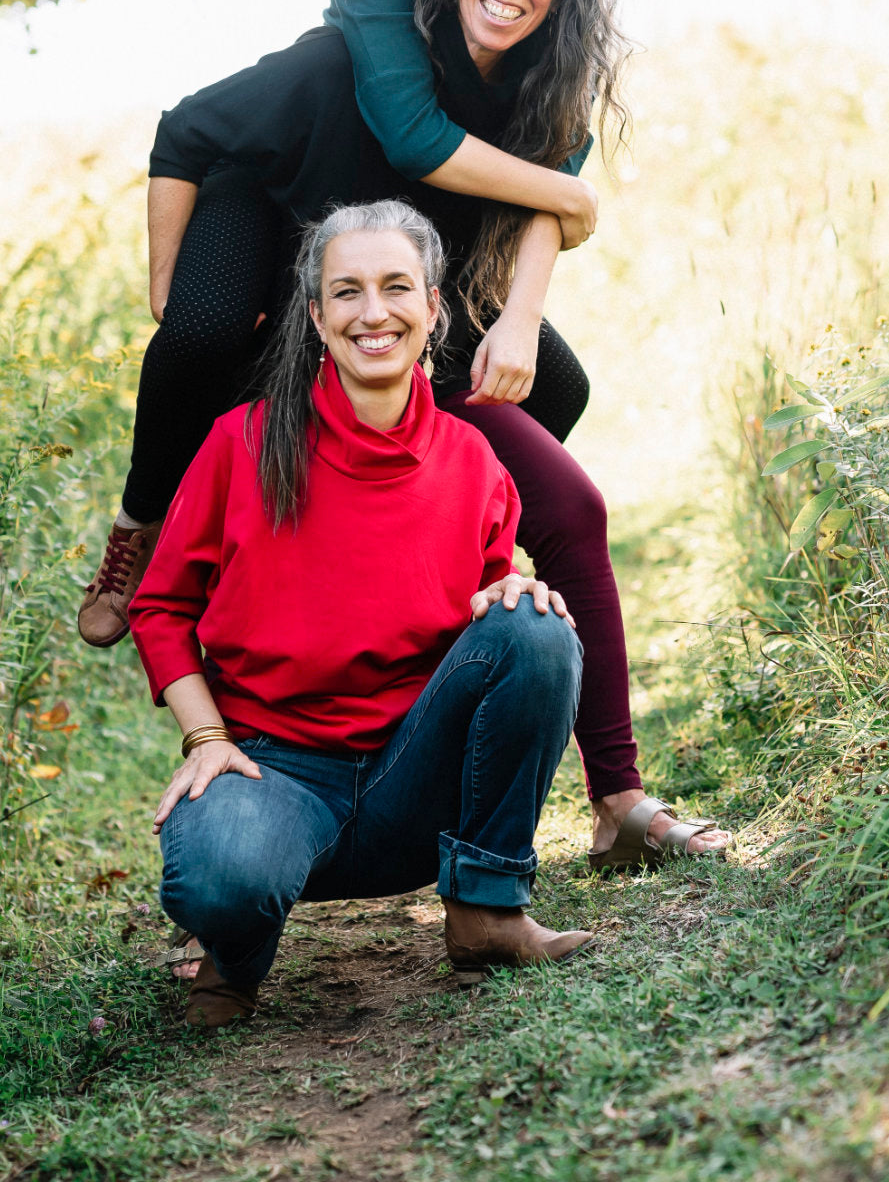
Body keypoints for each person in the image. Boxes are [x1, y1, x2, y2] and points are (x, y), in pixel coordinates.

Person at [83, 0, 729, 869]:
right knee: (199, 332)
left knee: (559, 417)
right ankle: (137, 533)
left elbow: (543, 197)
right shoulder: (370, 22)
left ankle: (612, 790)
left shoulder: (546, 36)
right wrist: (168, 281)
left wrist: (523, 304)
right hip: (272, 209)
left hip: (397, 275)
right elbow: (225, 132)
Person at [129, 201, 592, 1029]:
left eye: (395, 287)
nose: (373, 312)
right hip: (270, 771)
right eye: (346, 292)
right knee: (218, 879)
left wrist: (515, 591)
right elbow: (160, 607)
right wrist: (206, 738)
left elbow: (489, 612)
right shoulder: (240, 442)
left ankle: (486, 910)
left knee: (538, 628)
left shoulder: (473, 458)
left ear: (433, 307)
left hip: (415, 773)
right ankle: (235, 947)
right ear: (316, 317)